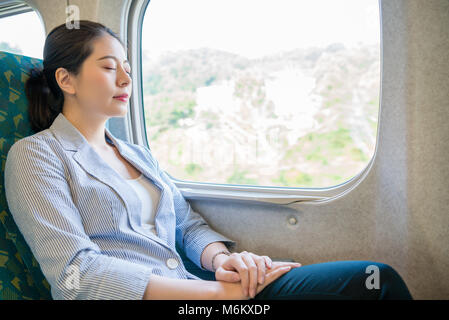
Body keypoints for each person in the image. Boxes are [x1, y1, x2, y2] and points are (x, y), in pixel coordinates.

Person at [4, 20, 413, 300]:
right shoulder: (37, 155)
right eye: (110, 67)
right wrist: (218, 294)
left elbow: (188, 224)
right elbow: (78, 276)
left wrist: (223, 261)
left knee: (374, 281)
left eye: (127, 67)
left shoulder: (136, 154)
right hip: (182, 296)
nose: (126, 79)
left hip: (196, 287)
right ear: (66, 79)